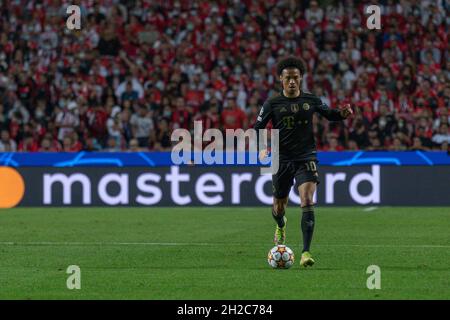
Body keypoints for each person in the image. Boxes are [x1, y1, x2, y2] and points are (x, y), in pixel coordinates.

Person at [254, 57, 353, 268]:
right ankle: (281, 224)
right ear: (281, 79)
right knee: (279, 207)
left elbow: (330, 114)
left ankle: (306, 252)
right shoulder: (272, 103)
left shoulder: (311, 100)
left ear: (301, 78)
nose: (292, 81)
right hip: (281, 159)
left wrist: (342, 114)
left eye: (295, 78)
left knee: (307, 200)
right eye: (288, 78)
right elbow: (258, 128)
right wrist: (264, 148)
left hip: (306, 157)